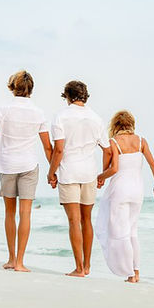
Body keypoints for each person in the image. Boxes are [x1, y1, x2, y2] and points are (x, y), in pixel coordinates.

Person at [0, 70, 52, 272]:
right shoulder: (38, 112)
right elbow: (47, 147)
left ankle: (10, 258)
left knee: (10, 213)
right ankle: (20, 262)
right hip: (28, 165)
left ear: (12, 87)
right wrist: (54, 171)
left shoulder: (3, 109)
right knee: (25, 214)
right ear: (31, 89)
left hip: (7, 165)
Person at [47, 80, 110, 277]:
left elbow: (59, 150)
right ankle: (87, 266)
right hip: (89, 173)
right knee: (86, 220)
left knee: (74, 221)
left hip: (69, 173)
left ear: (67, 96)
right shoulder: (96, 118)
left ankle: (79, 268)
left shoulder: (61, 116)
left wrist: (51, 172)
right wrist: (103, 174)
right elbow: (107, 150)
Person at [95, 111, 154, 283]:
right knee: (133, 231)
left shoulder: (114, 142)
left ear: (115, 125)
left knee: (121, 233)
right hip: (137, 191)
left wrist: (100, 177)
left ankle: (130, 274)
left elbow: (113, 169)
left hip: (120, 191)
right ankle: (136, 271)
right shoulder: (141, 141)